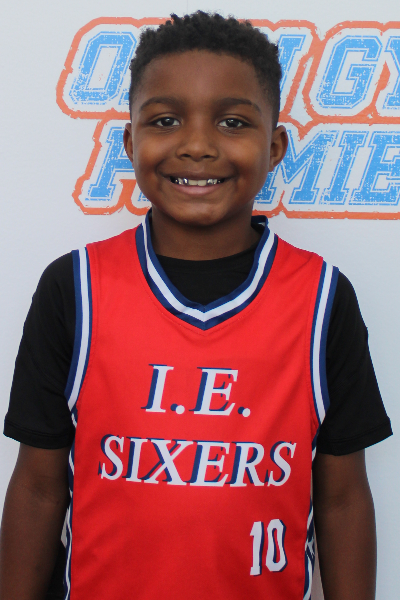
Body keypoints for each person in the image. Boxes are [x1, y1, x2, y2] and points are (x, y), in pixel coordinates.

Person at [0, 11, 392, 600]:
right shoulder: (75, 287)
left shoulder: (322, 297)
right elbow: (37, 487)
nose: (198, 146)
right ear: (130, 142)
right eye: (166, 120)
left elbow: (341, 498)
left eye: (233, 122)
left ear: (274, 147)